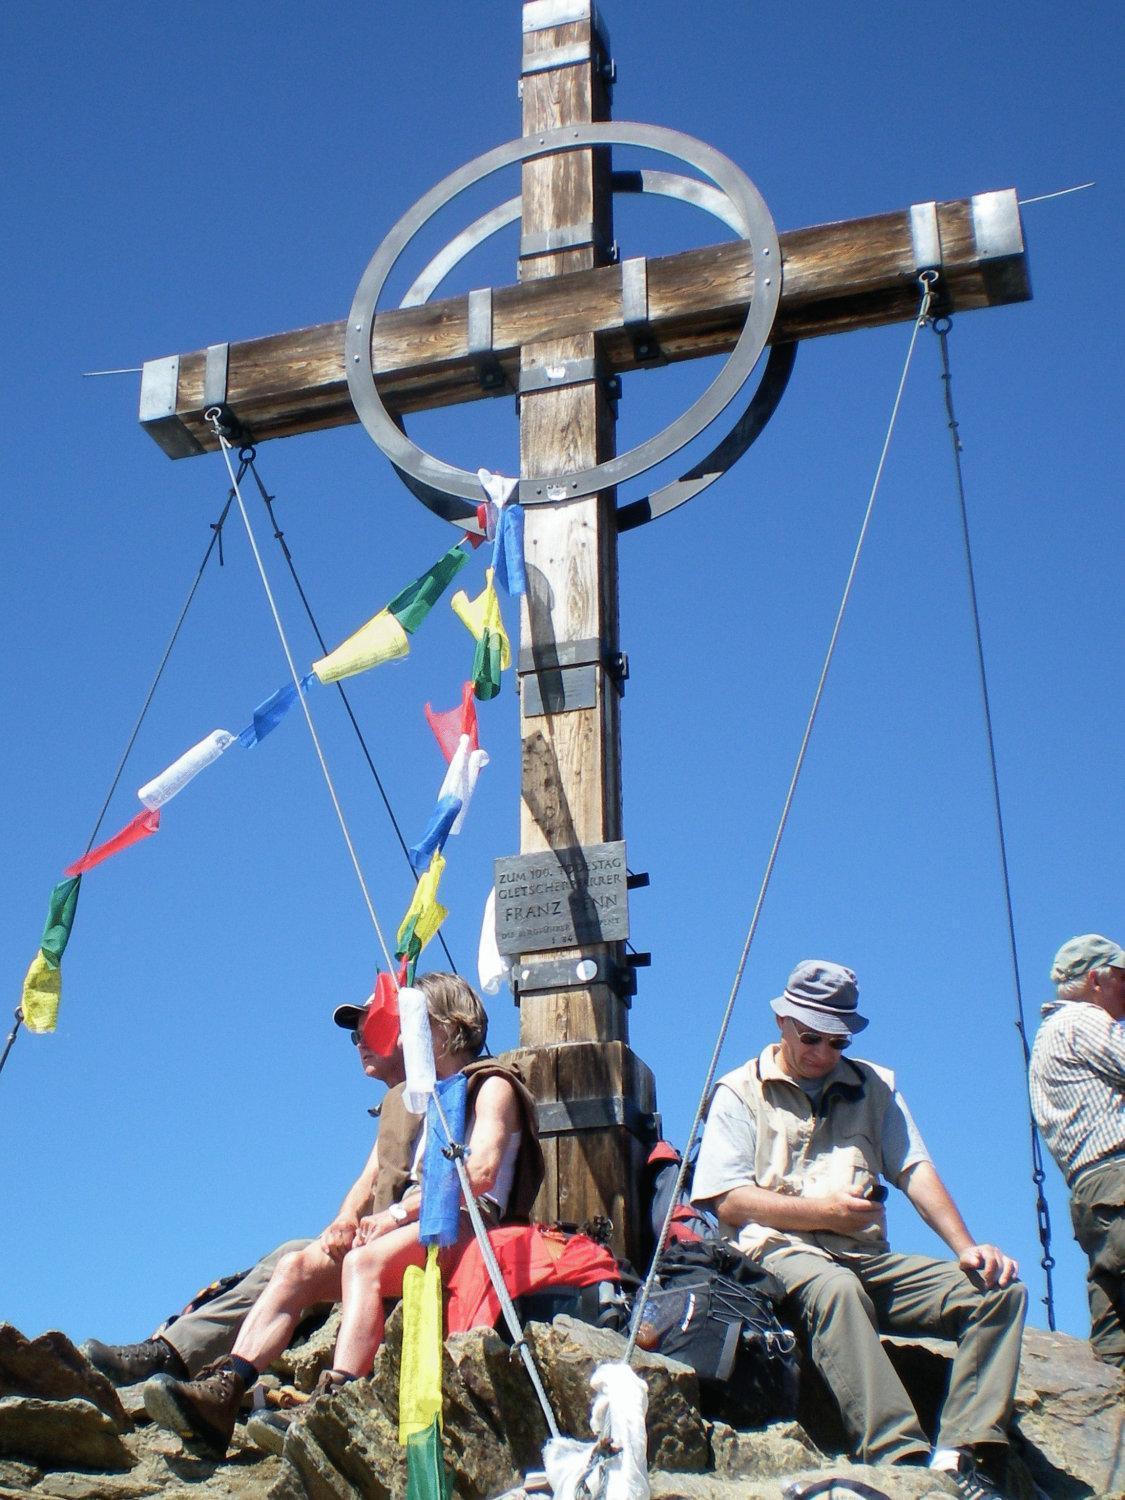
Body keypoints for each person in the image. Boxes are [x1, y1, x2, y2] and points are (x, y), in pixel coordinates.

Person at [141, 973, 542, 1458]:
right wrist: (346, 1220)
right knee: (297, 1266)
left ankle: (337, 1400)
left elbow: (478, 1172)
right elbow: (372, 1177)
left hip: (469, 1225)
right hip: (413, 1225)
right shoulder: (422, 1096)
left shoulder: (491, 1085)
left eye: (409, 1023)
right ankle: (225, 1390)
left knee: (363, 1263)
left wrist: (394, 1215)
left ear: (442, 1029)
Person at [691, 960, 1026, 1499]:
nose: (823, 1053)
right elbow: (727, 1200)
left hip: (865, 1257)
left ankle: (962, 1455)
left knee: (998, 1292)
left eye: (837, 1041)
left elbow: (915, 1170)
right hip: (779, 1255)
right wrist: (824, 1213)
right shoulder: (738, 1090)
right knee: (837, 1291)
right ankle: (899, 1455)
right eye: (811, 1037)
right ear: (782, 1022)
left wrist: (968, 1249)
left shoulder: (876, 1087)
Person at [82, 988, 410, 1386]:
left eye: (371, 1028)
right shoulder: (395, 1106)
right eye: (356, 1036)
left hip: (405, 1247)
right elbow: (368, 1180)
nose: (361, 1044)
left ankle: (180, 1361)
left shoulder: (436, 1094)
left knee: (292, 1259)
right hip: (376, 1246)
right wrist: (343, 1219)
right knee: (291, 1253)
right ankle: (177, 1355)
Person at [1029, 933, 1125, 1370]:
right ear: (1096, 980)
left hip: (1093, 1196)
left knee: (1115, 1326)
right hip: (1118, 1179)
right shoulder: (1084, 1021)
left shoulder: (1050, 1033)